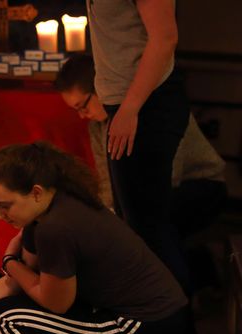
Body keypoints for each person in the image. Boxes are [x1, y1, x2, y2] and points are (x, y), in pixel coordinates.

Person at [0, 142, 190, 334]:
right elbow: (13, 285)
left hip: (145, 328)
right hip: (160, 319)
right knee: (14, 307)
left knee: (8, 319)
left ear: (36, 192)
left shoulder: (55, 228)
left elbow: (55, 302)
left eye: (5, 205)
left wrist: (10, 262)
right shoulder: (54, 205)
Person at [56, 54, 227, 239]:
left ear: (100, 88)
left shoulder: (148, 109)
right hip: (150, 193)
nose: (82, 115)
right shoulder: (97, 126)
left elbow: (170, 174)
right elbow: (107, 180)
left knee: (149, 220)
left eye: (83, 106)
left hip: (199, 184)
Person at [87, 0, 192, 290]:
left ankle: (173, 324)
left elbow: (165, 38)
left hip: (147, 105)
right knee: (135, 225)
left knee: (148, 229)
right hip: (124, 105)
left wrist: (131, 109)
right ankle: (163, 320)